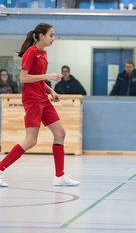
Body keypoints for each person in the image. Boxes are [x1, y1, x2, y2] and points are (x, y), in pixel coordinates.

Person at [0, 23, 80, 187]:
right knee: (30, 140)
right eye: (51, 35)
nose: (53, 38)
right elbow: (24, 78)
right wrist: (48, 75)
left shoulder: (43, 53)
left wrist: (50, 90)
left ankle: (59, 176)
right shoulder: (31, 53)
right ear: (41, 36)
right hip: (32, 100)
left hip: (43, 98)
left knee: (60, 134)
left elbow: (37, 78)